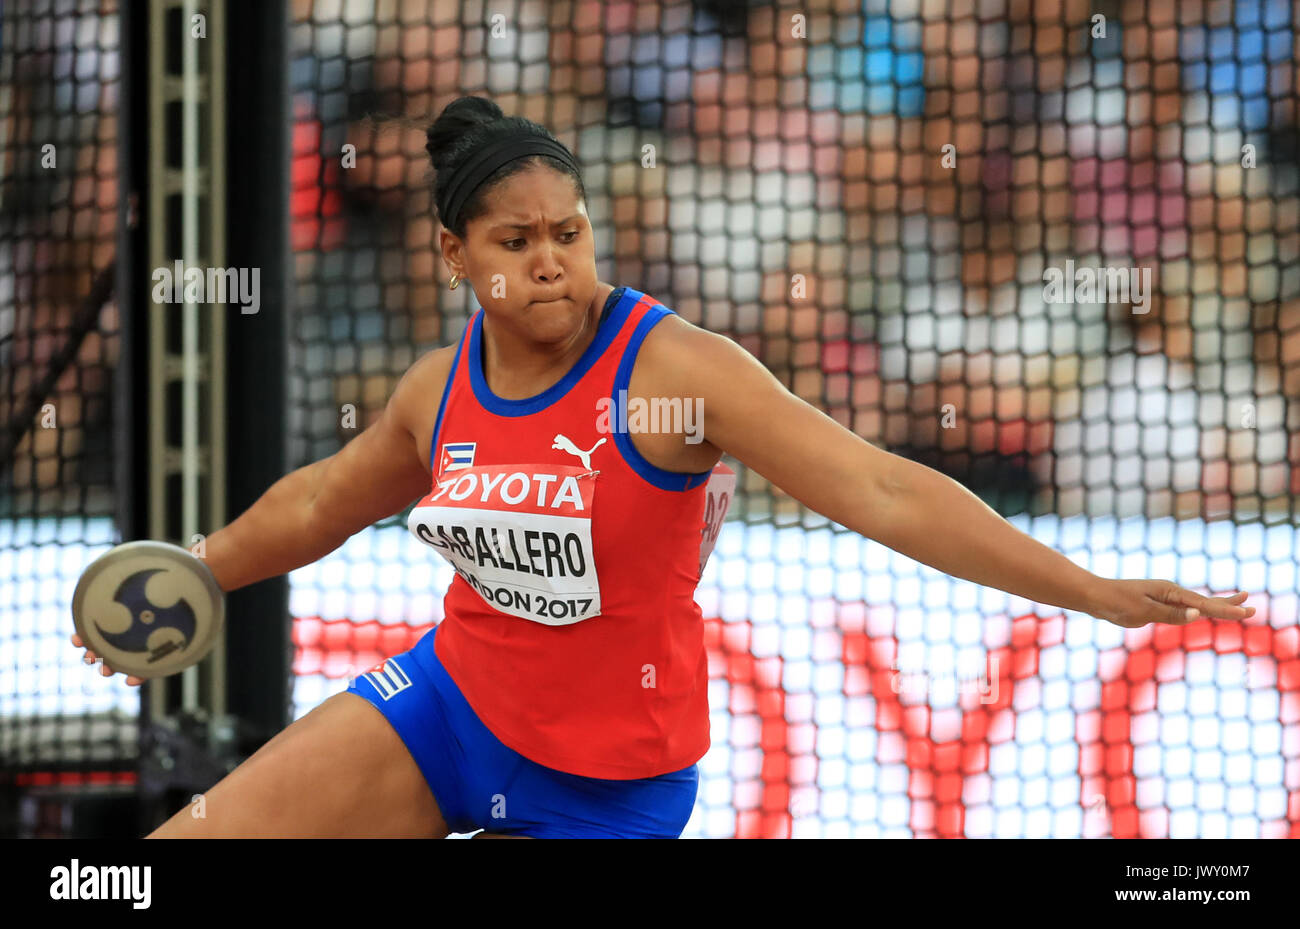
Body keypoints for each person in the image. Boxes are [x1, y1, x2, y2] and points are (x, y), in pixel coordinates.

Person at [72, 96, 1255, 838]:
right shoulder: (438, 388)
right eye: (516, 241)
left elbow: (885, 489)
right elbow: (325, 499)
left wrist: (1094, 591)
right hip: (449, 705)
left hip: (611, 781)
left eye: (569, 233)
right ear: (454, 253)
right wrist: (194, 571)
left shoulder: (676, 371)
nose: (551, 263)